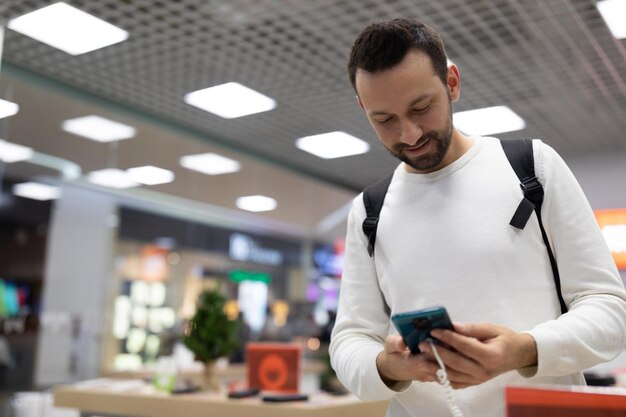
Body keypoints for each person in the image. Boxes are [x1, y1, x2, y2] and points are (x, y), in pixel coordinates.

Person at [329, 17, 626, 417]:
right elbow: (349, 339)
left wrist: (524, 349)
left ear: (451, 82)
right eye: (384, 120)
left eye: (422, 107)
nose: (410, 134)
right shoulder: (369, 211)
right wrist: (387, 366)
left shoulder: (531, 167)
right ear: (364, 108)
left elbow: (609, 310)